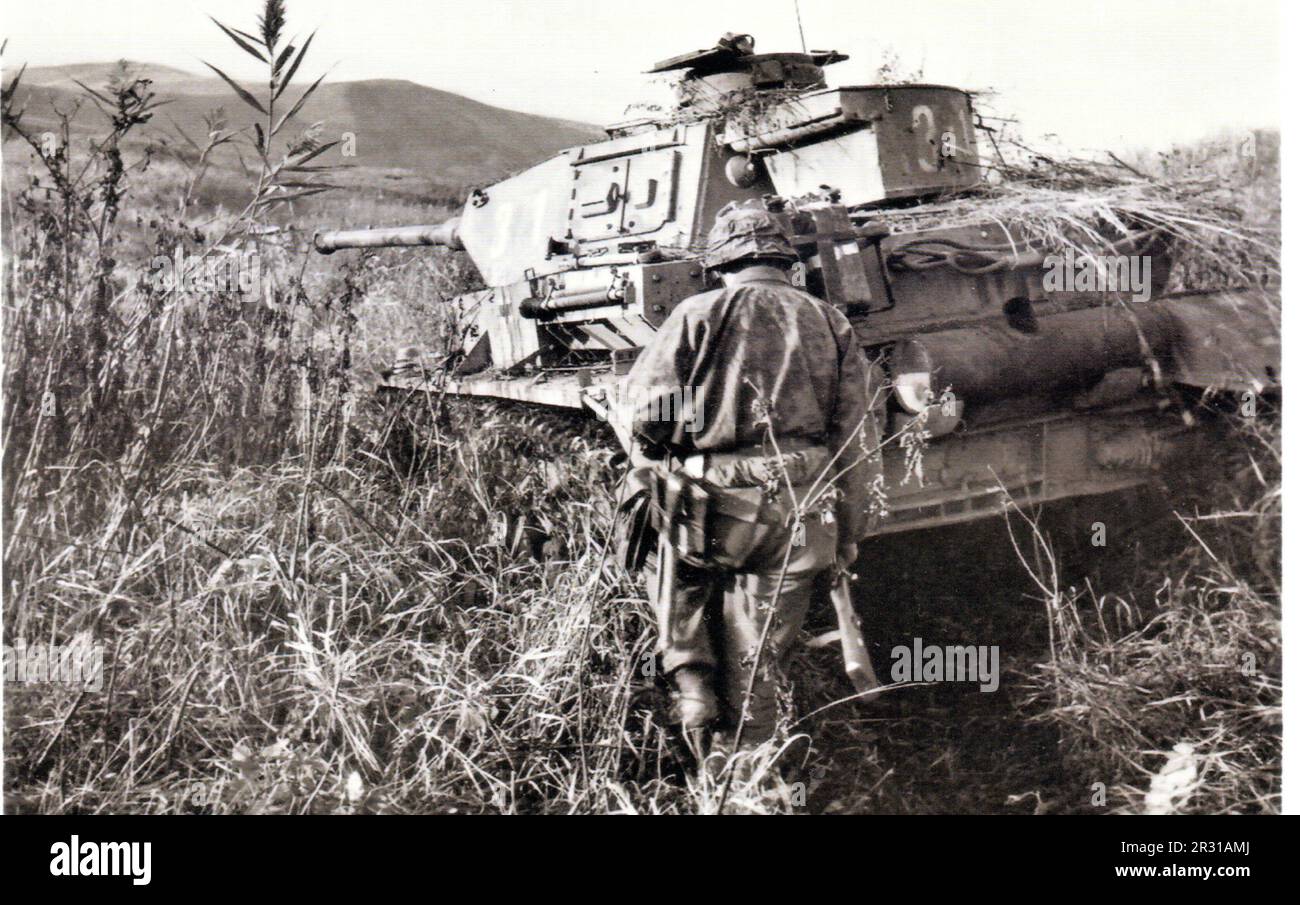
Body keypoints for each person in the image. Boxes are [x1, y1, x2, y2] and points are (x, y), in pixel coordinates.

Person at [623, 199, 876, 751]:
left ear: (721, 264)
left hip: (712, 498)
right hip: (802, 498)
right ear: (787, 263)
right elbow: (856, 435)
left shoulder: (695, 313)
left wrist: (669, 447)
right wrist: (850, 532)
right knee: (761, 657)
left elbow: (648, 413)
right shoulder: (828, 319)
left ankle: (691, 685)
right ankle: (751, 772)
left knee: (657, 540)